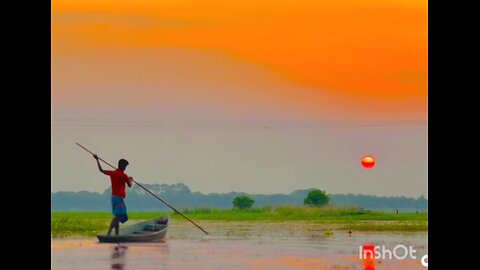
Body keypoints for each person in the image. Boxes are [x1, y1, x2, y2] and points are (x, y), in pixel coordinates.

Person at [93, 154, 133, 235]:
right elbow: (130, 185)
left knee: (118, 215)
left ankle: (117, 234)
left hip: (113, 198)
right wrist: (131, 179)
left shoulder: (113, 173)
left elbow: (101, 170)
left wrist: (97, 160)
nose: (125, 168)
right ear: (122, 166)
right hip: (119, 198)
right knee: (119, 216)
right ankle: (109, 233)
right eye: (125, 166)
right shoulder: (124, 175)